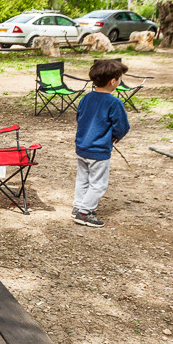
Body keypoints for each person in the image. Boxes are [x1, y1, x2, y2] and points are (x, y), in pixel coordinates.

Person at [71, 58, 130, 228]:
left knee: (83, 179)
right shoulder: (114, 103)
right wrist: (115, 136)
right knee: (98, 183)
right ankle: (84, 212)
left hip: (82, 147)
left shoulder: (86, 98)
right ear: (113, 81)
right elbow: (122, 126)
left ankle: (78, 206)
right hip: (99, 150)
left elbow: (79, 118)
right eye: (120, 78)